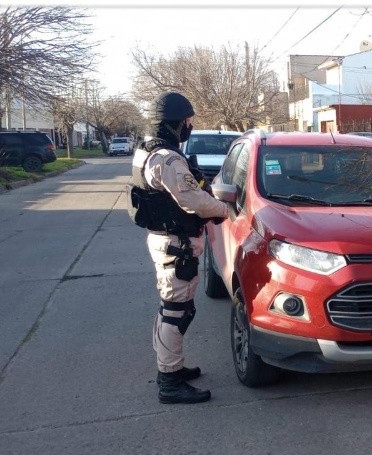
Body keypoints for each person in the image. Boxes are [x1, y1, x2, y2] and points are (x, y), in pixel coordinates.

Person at [128, 91, 228, 404]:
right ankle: (169, 381)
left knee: (172, 309)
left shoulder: (147, 150)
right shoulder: (167, 158)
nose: (190, 126)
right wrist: (225, 210)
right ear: (176, 122)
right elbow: (192, 199)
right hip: (176, 245)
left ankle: (171, 368)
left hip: (167, 240)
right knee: (177, 312)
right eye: (187, 121)